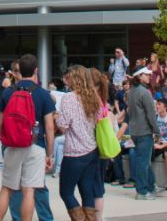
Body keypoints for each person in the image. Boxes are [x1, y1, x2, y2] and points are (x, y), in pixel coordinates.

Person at [0, 53, 57, 221]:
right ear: (36, 70)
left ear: (19, 70)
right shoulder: (43, 94)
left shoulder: (8, 92)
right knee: (29, 190)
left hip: (12, 145)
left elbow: (0, 122)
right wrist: (49, 154)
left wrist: (6, 140)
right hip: (35, 146)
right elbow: (49, 127)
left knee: (6, 189)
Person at [56, 65, 103, 221]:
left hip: (74, 152)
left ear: (75, 78)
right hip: (92, 149)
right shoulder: (94, 97)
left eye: (68, 77)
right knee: (87, 191)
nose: (66, 79)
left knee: (66, 192)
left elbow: (63, 125)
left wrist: (56, 117)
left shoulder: (68, 98)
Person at [125, 67, 160, 200]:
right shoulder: (145, 92)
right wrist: (157, 131)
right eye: (147, 74)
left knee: (142, 160)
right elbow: (151, 115)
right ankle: (142, 191)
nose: (149, 76)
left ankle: (151, 186)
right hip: (145, 131)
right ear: (140, 76)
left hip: (134, 131)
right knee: (143, 162)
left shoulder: (130, 92)